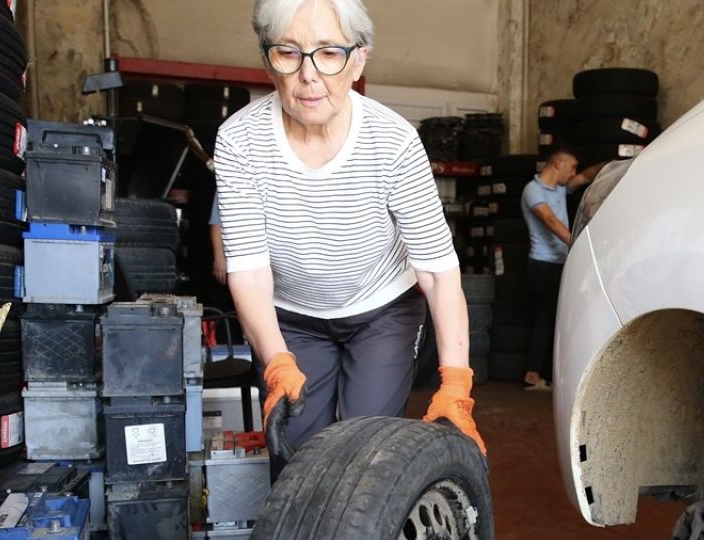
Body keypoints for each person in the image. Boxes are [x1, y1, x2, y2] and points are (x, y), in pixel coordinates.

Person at [214, 0, 486, 468]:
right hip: (294, 315)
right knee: (295, 457)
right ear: (267, 59)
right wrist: (277, 362)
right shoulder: (239, 142)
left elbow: (439, 274)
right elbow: (250, 271)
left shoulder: (393, 141)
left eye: (329, 53)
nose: (309, 75)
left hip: (382, 311)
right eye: (288, 52)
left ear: (358, 59)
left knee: (367, 454)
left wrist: (456, 384)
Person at [520, 145, 603, 389]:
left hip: (557, 264)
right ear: (559, 163)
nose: (573, 172)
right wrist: (579, 244)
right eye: (571, 167)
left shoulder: (560, 189)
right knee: (564, 320)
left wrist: (618, 162)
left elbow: (588, 176)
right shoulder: (533, 190)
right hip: (542, 266)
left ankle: (533, 374)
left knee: (545, 320)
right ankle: (570, 380)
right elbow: (550, 220)